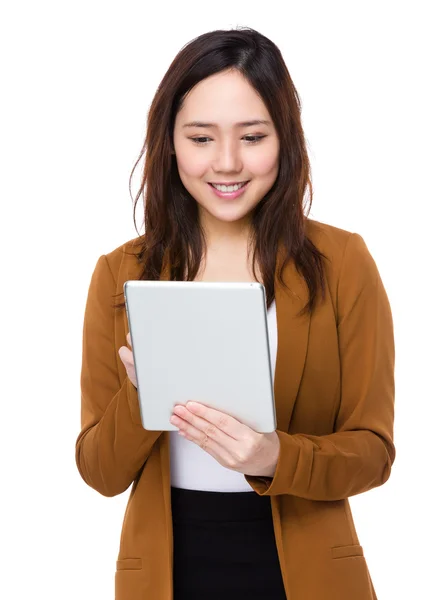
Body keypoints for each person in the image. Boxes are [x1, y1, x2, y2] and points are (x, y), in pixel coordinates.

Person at [75, 26, 395, 600]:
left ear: (285, 139)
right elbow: (100, 473)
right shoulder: (121, 274)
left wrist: (276, 455)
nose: (226, 163)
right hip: (169, 568)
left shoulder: (343, 261)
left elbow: (373, 452)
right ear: (169, 143)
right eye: (200, 138)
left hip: (309, 569)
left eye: (252, 136)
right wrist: (140, 391)